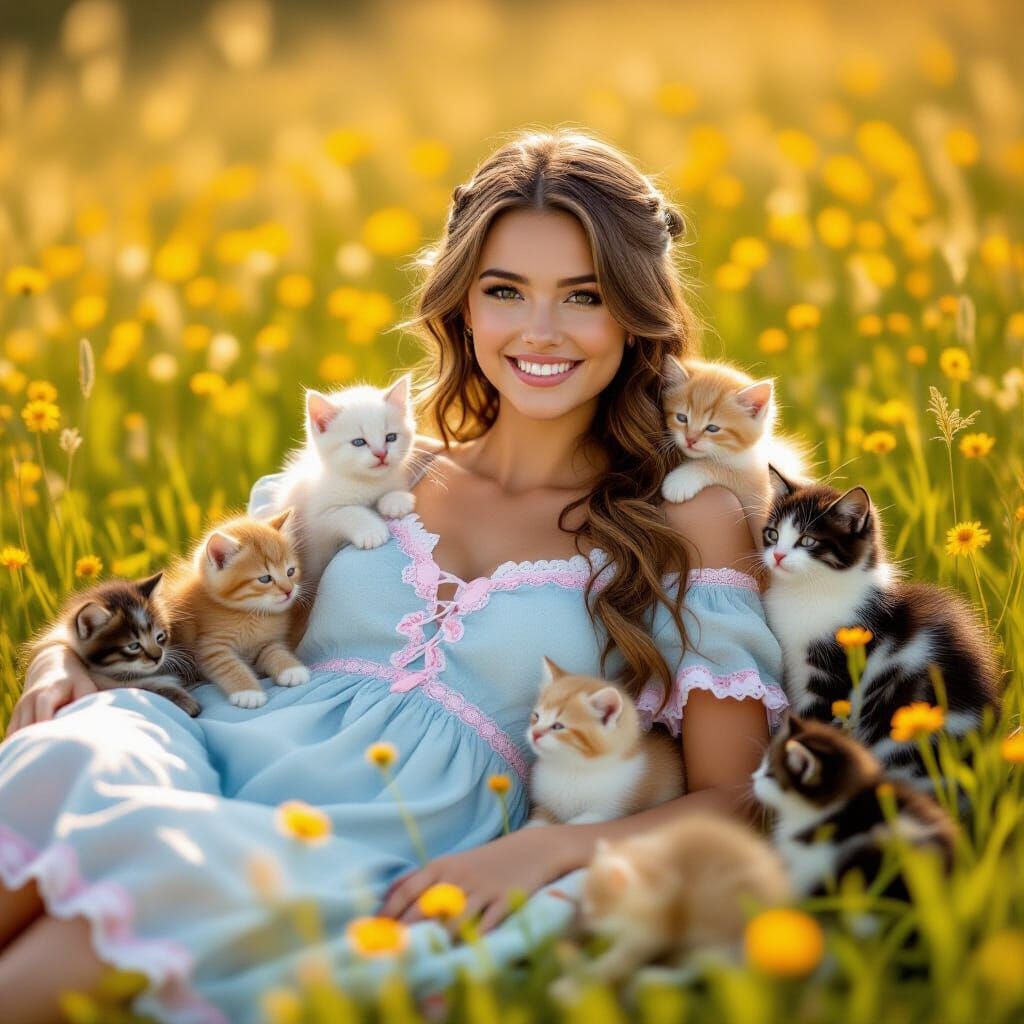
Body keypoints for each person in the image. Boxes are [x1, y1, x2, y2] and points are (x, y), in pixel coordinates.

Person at [0, 130, 787, 1024]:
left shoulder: (682, 521)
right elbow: (206, 608)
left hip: (381, 843)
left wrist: (544, 854)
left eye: (584, 296)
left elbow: (739, 793)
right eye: (504, 291)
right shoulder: (380, 474)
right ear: (461, 305)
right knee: (78, 763)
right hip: (214, 755)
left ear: (636, 313)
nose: (539, 330)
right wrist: (68, 656)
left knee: (82, 940)